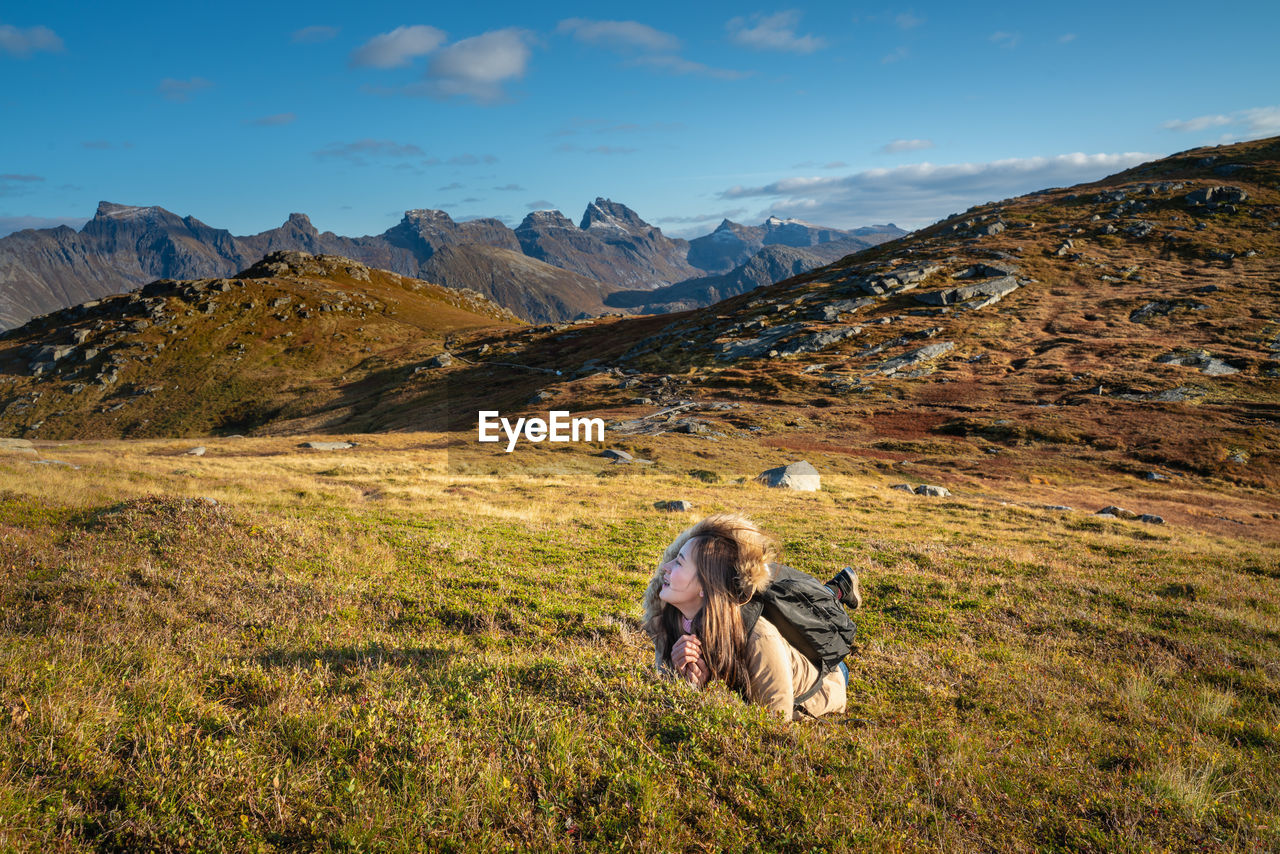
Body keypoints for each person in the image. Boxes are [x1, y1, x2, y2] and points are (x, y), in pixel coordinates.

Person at [640, 512, 861, 721]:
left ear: (705, 586)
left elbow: (773, 726)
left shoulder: (761, 639)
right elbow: (670, 699)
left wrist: (713, 690)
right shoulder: (668, 620)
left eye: (678, 562)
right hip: (781, 658)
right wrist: (691, 682)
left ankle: (834, 593)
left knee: (816, 610)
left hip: (826, 679)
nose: (664, 569)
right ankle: (835, 589)